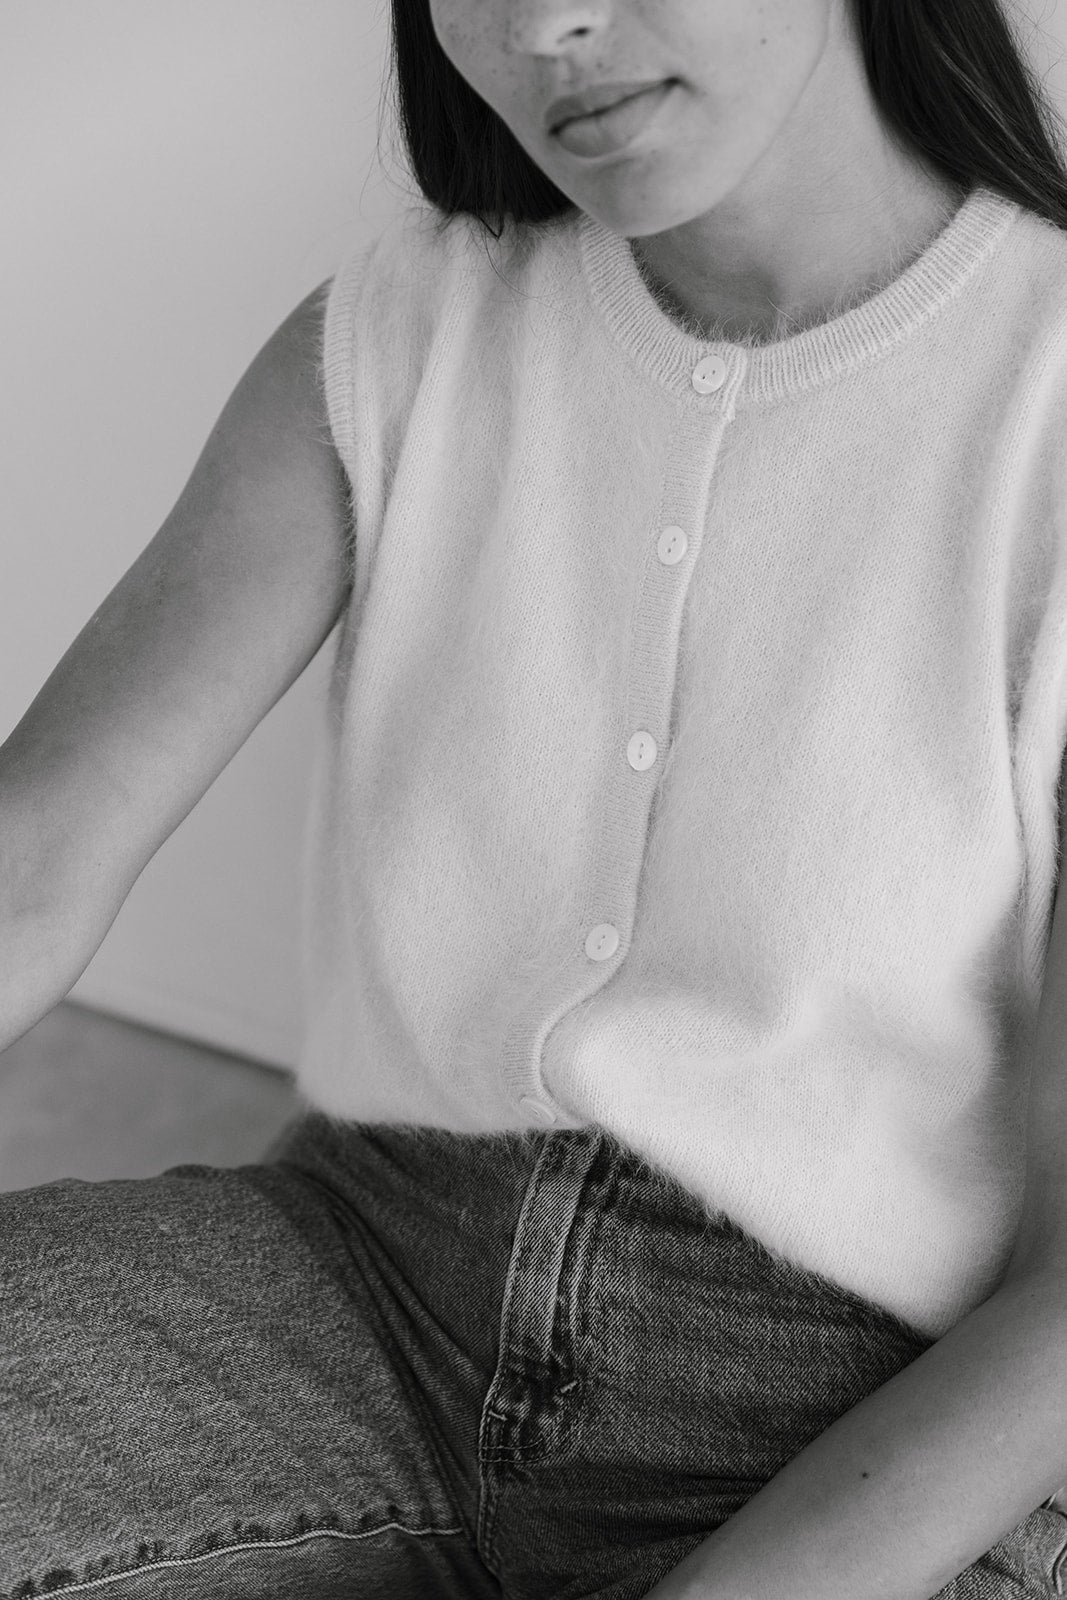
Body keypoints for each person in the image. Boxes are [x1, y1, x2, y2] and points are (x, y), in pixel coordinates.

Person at [4, 0, 1067, 1594]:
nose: (546, 23)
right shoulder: (400, 329)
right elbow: (33, 861)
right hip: (365, 1278)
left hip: (880, 1421)